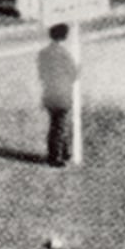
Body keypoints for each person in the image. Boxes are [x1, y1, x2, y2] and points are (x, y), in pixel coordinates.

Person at [38, 23, 79, 167]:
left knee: (55, 124)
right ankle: (57, 155)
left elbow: (41, 74)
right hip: (62, 93)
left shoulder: (43, 53)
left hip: (49, 92)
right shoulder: (65, 54)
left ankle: (61, 151)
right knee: (62, 124)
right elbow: (73, 74)